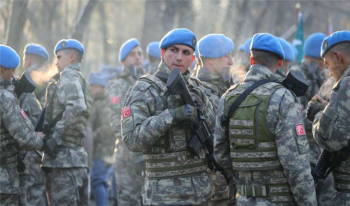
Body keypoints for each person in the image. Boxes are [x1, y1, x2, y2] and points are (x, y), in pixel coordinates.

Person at [213, 33, 317, 205]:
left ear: (251, 60)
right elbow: (296, 165)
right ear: (279, 63)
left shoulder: (229, 97)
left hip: (244, 199)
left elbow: (220, 153)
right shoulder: (283, 98)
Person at [121, 28, 215, 205]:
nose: (179, 57)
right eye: (174, 50)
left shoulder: (197, 89)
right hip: (164, 195)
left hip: (201, 193)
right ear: (163, 53)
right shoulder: (144, 89)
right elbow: (132, 139)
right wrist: (171, 116)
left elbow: (214, 130)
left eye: (186, 52)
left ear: (193, 59)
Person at [41, 39, 93, 205]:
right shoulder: (82, 82)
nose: (56, 62)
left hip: (63, 161)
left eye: (59, 57)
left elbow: (77, 107)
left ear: (71, 57)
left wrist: (55, 139)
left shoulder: (68, 77)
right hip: (77, 159)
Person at [0, 45, 44, 205]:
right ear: (3, 69)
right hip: (4, 179)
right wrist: (40, 140)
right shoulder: (5, 97)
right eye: (11, 70)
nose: (13, 75)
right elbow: (26, 139)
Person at [310, 30, 350, 206]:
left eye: (328, 64)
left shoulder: (347, 83)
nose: (329, 72)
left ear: (338, 57)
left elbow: (330, 139)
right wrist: (330, 108)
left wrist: (318, 113)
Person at [196, 34, 234, 206]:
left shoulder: (221, 89)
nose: (231, 61)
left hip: (225, 185)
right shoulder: (199, 92)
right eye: (226, 56)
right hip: (211, 188)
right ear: (210, 60)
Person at [105, 38, 145, 206]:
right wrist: (136, 152)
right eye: (132, 54)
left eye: (139, 54)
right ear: (123, 60)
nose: (137, 57)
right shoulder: (118, 87)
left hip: (147, 155)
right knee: (129, 200)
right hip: (128, 157)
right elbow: (117, 124)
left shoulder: (145, 83)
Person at [18, 44, 48, 206]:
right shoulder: (52, 82)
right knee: (39, 191)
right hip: (45, 148)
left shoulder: (23, 83)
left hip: (28, 150)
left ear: (27, 61)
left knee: (30, 194)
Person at [88, 72, 114, 206]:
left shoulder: (100, 103)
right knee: (102, 181)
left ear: (99, 87)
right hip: (104, 150)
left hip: (100, 150)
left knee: (97, 181)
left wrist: (89, 136)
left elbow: (105, 128)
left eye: (93, 87)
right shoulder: (102, 101)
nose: (91, 89)